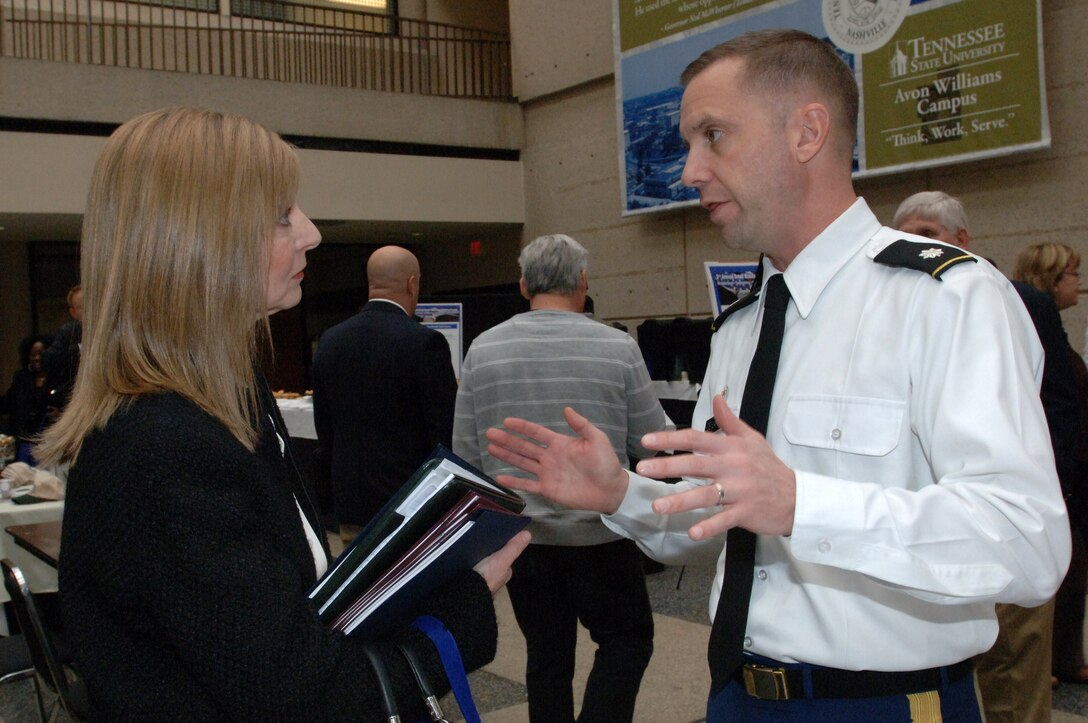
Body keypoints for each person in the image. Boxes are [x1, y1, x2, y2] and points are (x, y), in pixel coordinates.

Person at [484, 29, 1070, 722]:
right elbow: (716, 520)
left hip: (881, 703)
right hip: (737, 695)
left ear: (807, 132)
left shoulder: (946, 299)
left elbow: (1028, 541)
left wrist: (803, 503)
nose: (688, 170)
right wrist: (622, 493)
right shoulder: (742, 329)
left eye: (714, 136)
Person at [34, 106, 529, 720]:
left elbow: (280, 612)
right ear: (199, 236)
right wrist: (463, 604)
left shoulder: (224, 397)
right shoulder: (163, 444)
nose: (313, 233)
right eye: (280, 215)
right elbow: (304, 694)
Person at [453, 234, 665, 722]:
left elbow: (465, 452)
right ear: (584, 282)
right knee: (626, 641)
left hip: (525, 537)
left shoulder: (483, 350)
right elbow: (652, 438)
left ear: (524, 285)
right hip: (604, 532)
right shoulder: (618, 347)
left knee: (545, 660)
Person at [891, 192, 1078, 720]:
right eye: (902, 233)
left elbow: (1058, 405)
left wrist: (1049, 497)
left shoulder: (1017, 301)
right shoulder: (890, 307)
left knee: (1014, 674)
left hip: (1008, 522)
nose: (912, 245)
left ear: (961, 240)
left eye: (925, 233)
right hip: (926, 528)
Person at [312, 245, 458, 542]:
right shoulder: (425, 343)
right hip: (408, 504)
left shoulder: (330, 340)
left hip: (349, 502)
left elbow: (324, 429)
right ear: (412, 284)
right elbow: (442, 432)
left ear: (370, 284)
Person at [1013, 242, 1088, 686]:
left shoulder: (1045, 322)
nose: (1079, 282)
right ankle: (1050, 662)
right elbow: (1056, 402)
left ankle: (1058, 658)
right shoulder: (1030, 316)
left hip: (1065, 471)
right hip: (1048, 474)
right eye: (1072, 274)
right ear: (1053, 278)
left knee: (1072, 571)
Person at [1, 334, 54, 463]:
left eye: (40, 354)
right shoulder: (21, 378)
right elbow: (7, 404)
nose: (37, 358)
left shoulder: (56, 379)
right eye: (33, 355)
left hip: (47, 442)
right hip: (25, 441)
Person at [42, 284, 83, 415]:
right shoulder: (68, 333)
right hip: (74, 399)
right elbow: (49, 360)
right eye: (82, 307)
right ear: (73, 312)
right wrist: (79, 349)